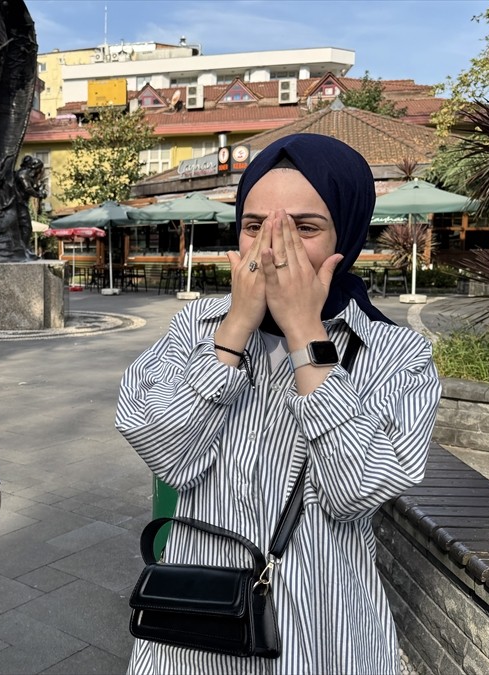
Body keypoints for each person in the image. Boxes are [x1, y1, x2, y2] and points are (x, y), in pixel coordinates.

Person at [115, 133, 440, 673]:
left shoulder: (396, 353)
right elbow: (166, 452)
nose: (272, 248)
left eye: (304, 228)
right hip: (197, 624)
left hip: (321, 629)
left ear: (349, 233)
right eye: (253, 225)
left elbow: (355, 492)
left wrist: (304, 336)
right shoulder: (196, 327)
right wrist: (234, 330)